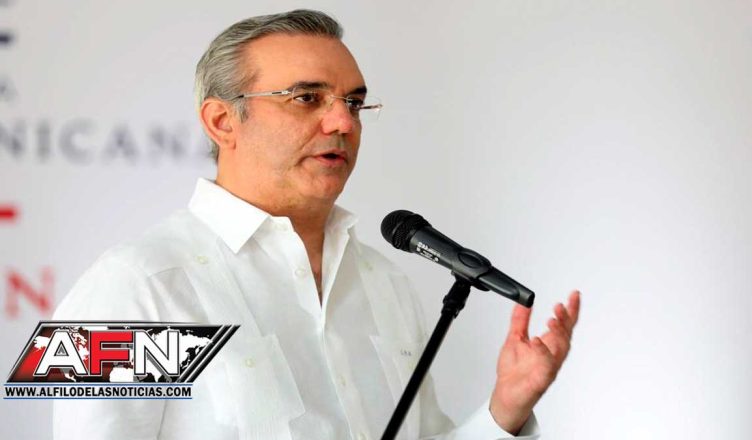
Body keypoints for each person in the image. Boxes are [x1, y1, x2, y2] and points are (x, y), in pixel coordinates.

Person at [53, 9, 580, 440]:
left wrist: (503, 413)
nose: (343, 121)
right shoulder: (132, 286)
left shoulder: (384, 281)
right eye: (307, 98)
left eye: (354, 102)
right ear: (222, 121)